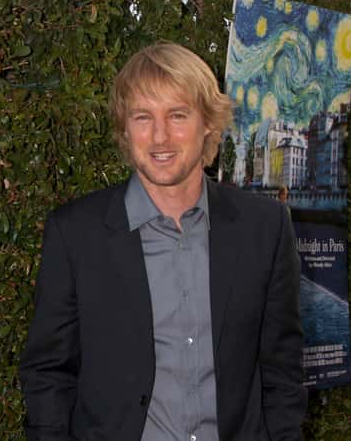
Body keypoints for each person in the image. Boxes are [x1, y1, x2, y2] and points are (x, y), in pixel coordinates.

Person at [19, 42, 306, 440]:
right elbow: (49, 374)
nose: (160, 136)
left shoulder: (265, 227)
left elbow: (282, 370)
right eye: (143, 117)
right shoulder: (76, 234)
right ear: (124, 128)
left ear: (208, 123)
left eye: (177, 115)